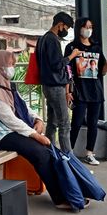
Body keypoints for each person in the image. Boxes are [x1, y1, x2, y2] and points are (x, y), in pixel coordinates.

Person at [0, 50, 81, 210]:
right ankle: (60, 198)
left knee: (44, 150)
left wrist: (37, 119)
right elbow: (10, 119)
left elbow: (23, 106)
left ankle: (69, 193)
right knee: (40, 152)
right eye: (10, 65)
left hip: (7, 131)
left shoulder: (6, 85)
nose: (12, 68)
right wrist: (36, 135)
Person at [64, 18, 107, 165]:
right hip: (79, 90)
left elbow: (102, 71)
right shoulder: (72, 47)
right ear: (79, 28)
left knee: (93, 123)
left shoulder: (96, 47)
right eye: (85, 27)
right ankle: (69, 152)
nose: (88, 29)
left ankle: (90, 153)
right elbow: (67, 70)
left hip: (95, 90)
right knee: (76, 122)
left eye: (90, 27)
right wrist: (68, 91)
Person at [37, 12, 80, 153]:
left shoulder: (43, 39)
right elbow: (56, 64)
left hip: (47, 85)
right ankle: (68, 157)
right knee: (64, 124)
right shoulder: (52, 40)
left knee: (52, 122)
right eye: (66, 27)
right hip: (55, 86)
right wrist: (72, 56)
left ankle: (50, 151)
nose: (66, 31)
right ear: (60, 25)